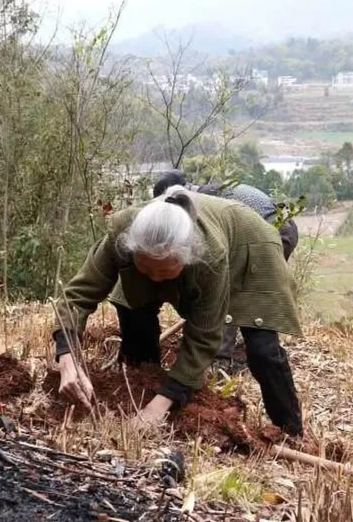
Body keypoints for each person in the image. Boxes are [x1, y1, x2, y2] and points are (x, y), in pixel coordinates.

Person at [52, 186, 304, 436]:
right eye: (146, 268)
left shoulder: (210, 256)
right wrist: (67, 356)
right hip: (168, 249)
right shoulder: (122, 235)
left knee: (262, 350)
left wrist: (161, 405)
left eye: (164, 271)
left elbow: (204, 337)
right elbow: (77, 294)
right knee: (131, 301)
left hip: (249, 246)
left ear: (188, 257)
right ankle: (143, 381)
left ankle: (290, 429)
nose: (155, 279)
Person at [152, 170, 299, 361]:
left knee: (230, 287)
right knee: (240, 288)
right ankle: (245, 346)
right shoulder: (206, 193)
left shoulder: (200, 201)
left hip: (277, 229)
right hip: (278, 226)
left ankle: (221, 354)